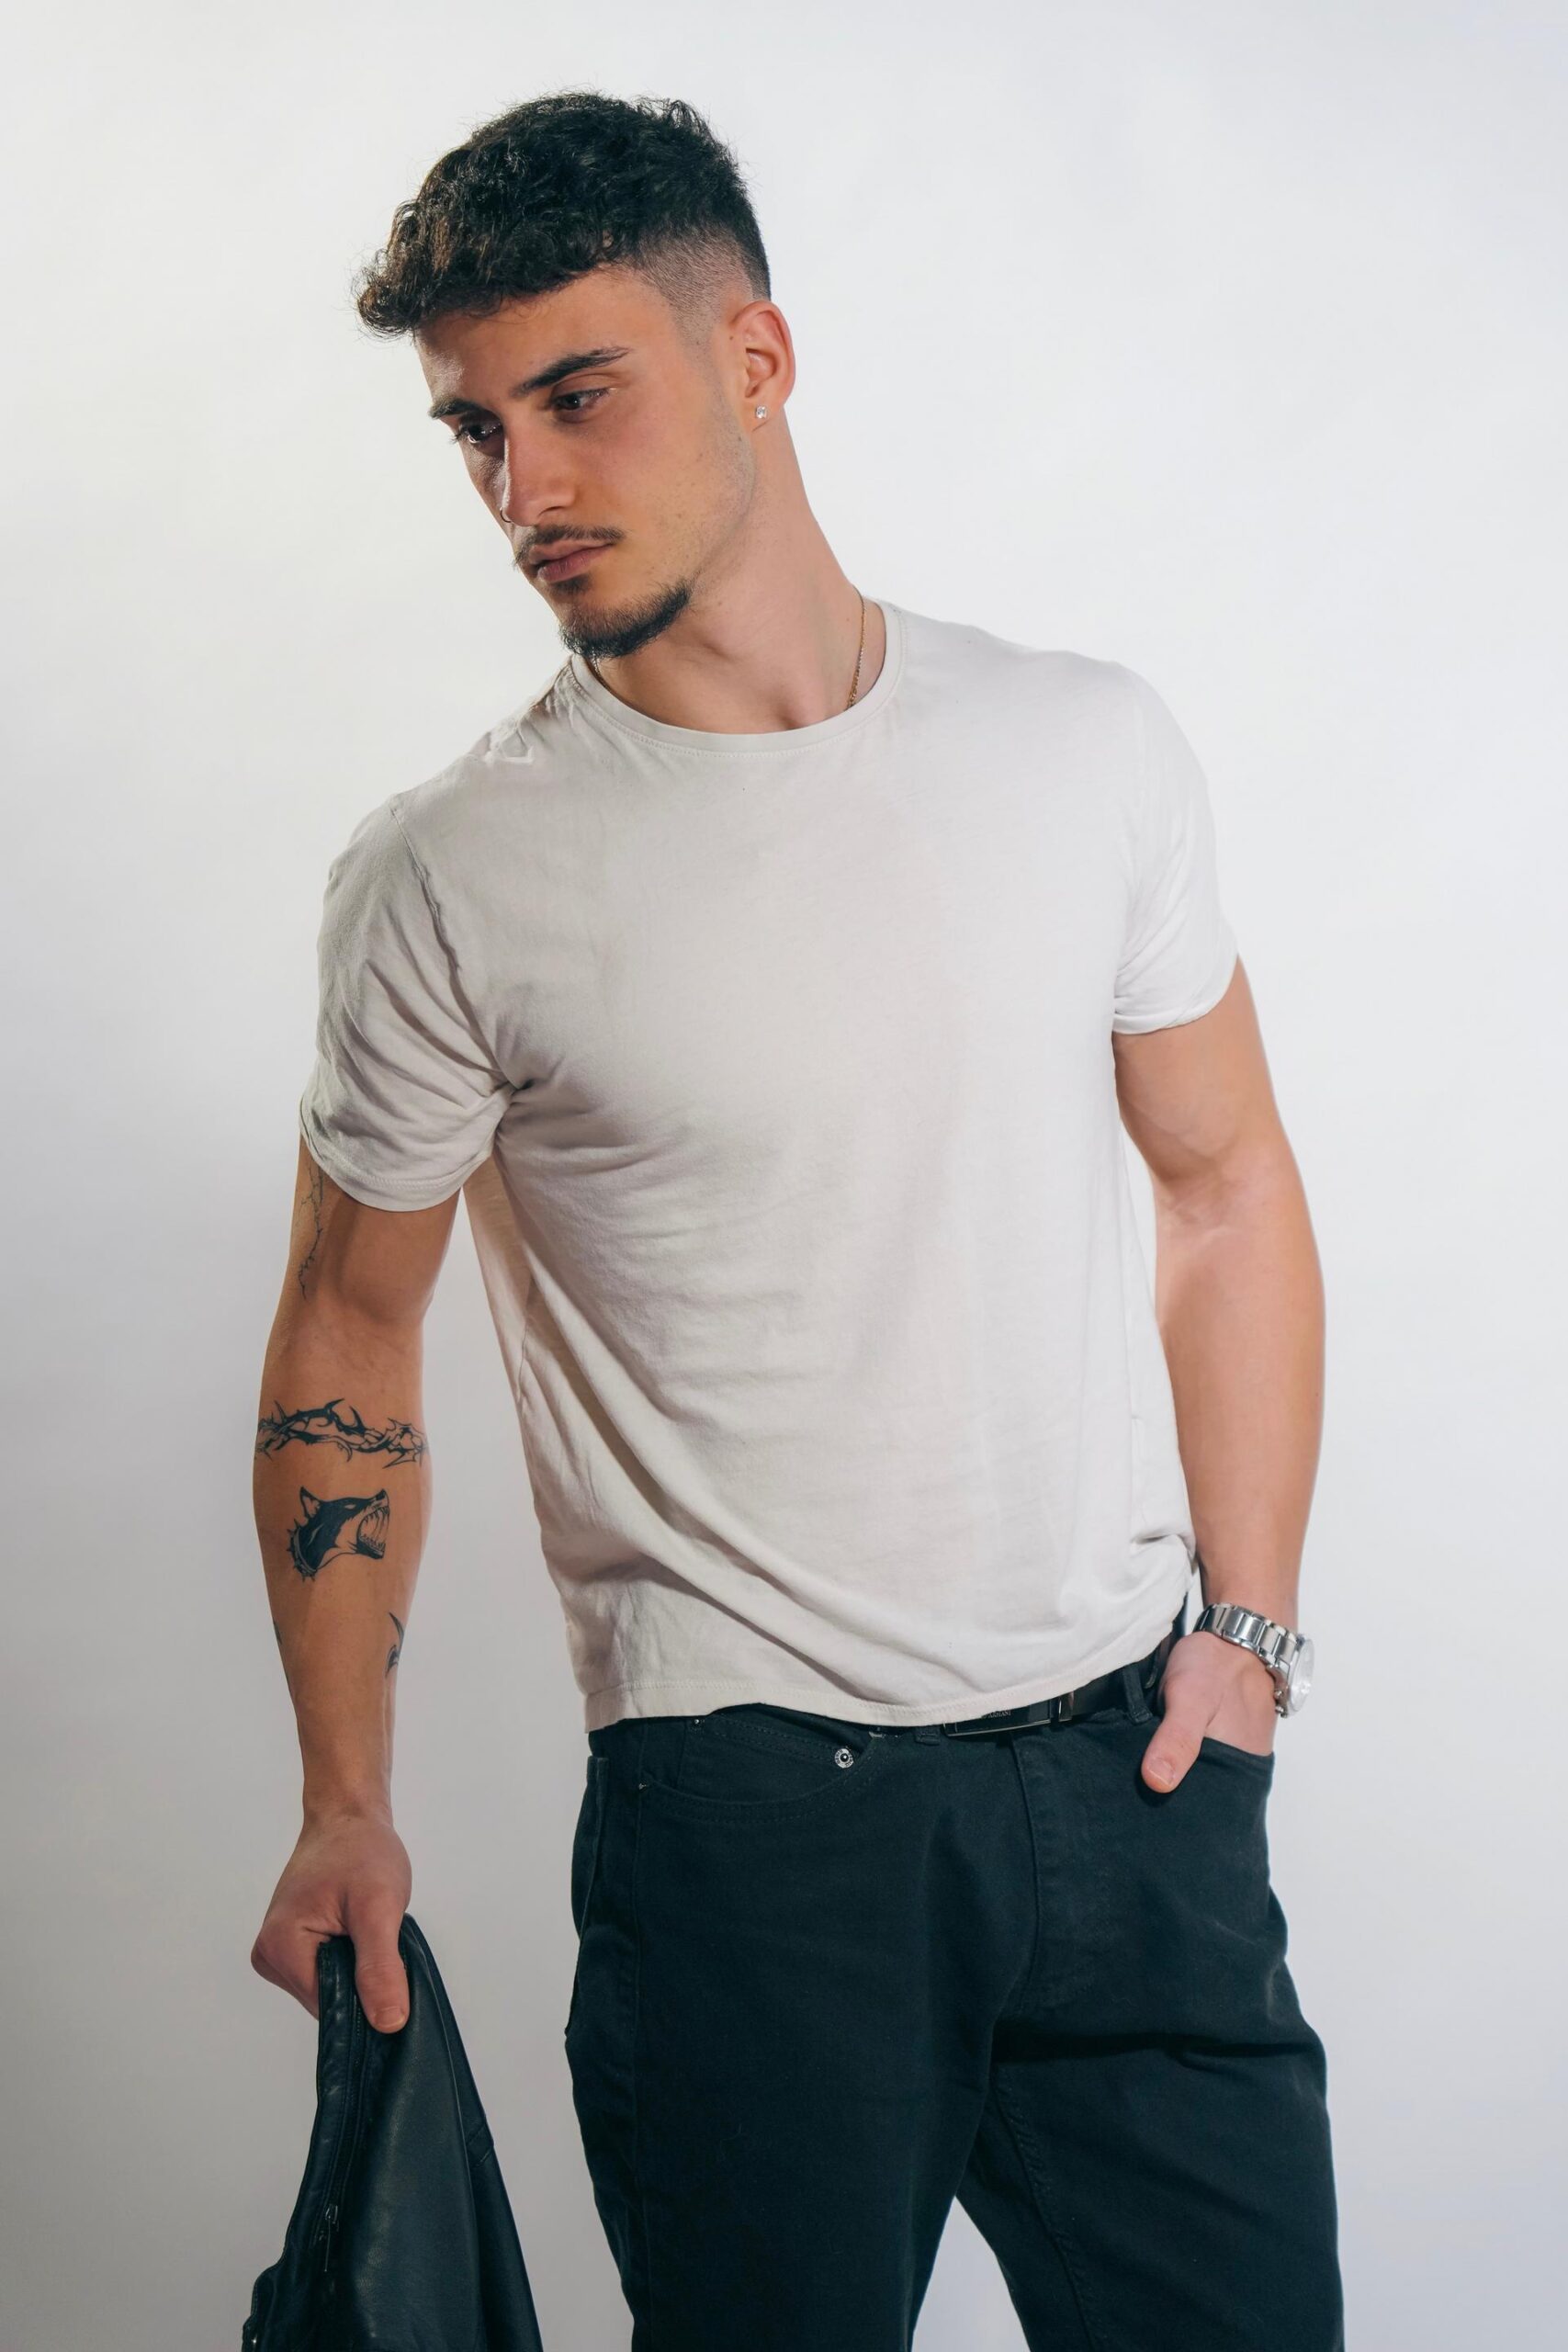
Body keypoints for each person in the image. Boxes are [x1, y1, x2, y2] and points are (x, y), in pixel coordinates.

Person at [250, 88, 1344, 2352]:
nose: (524, 490)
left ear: (752, 358)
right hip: (753, 1822)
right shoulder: (453, 874)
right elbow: (349, 1329)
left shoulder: (1079, 746)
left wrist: (1244, 1632)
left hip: (1129, 1773)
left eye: (577, 397)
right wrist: (343, 1797)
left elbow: (1224, 1177)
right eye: (474, 430)